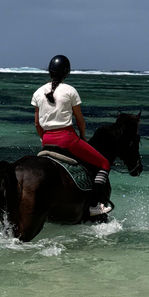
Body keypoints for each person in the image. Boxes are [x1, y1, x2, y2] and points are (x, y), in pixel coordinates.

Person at [31, 54, 112, 216]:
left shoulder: (38, 93)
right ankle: (95, 205)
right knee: (104, 164)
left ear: (49, 71)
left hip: (47, 140)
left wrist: (43, 139)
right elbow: (80, 121)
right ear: (66, 73)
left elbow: (37, 124)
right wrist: (82, 137)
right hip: (67, 139)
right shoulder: (70, 91)